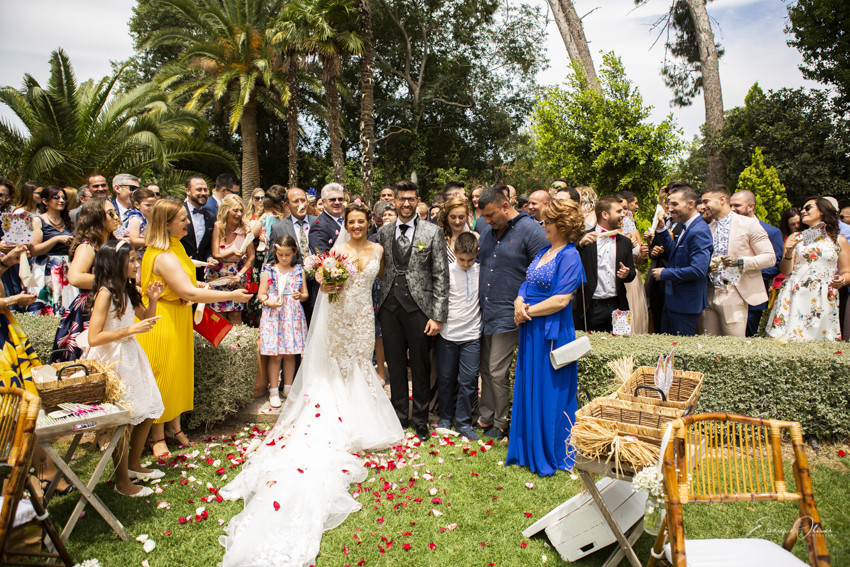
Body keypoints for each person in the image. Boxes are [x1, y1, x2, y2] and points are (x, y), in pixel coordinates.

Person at [219, 202, 404, 567]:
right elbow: (323, 283)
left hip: (363, 320)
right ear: (344, 225)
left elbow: (376, 281)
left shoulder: (379, 249)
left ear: (368, 223)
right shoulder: (336, 250)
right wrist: (329, 279)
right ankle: (336, 416)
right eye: (350, 221)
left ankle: (360, 414)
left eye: (360, 221)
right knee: (337, 369)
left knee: (360, 366)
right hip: (337, 318)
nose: (355, 226)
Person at [137, 199, 252, 459]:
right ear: (166, 225)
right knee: (162, 376)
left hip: (177, 315)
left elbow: (186, 283)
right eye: (182, 220)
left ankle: (175, 428)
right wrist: (230, 294)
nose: (188, 222)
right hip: (162, 320)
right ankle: (156, 436)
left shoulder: (175, 246)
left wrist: (200, 286)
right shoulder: (162, 254)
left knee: (178, 374)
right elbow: (185, 290)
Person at [79, 240, 165, 497]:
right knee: (122, 421)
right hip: (113, 359)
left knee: (149, 408)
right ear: (116, 263)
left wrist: (154, 300)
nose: (137, 265)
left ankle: (134, 464)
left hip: (131, 354)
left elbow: (143, 318)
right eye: (132, 260)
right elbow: (94, 337)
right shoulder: (105, 292)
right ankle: (122, 481)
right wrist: (129, 331)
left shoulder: (127, 289)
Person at [507, 197, 586, 476]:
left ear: (562, 225)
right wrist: (518, 301)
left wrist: (526, 312)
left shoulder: (570, 256)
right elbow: (527, 282)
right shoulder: (544, 251)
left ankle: (551, 452)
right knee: (530, 386)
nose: (543, 225)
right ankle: (527, 449)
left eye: (548, 221)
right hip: (531, 328)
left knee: (551, 391)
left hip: (552, 331)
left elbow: (561, 300)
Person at [377, 180, 449, 441]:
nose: (406, 203)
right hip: (389, 306)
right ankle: (399, 417)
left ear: (418, 201)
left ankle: (420, 418)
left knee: (419, 366)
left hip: (420, 308)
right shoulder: (384, 232)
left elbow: (441, 275)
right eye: (401, 199)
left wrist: (438, 315)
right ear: (394, 201)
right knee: (395, 365)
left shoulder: (432, 232)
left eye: (411, 199)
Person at [477, 185, 548, 439]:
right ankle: (485, 416)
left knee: (497, 369)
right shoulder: (487, 231)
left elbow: (542, 273)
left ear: (505, 206)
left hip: (510, 313)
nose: (486, 221)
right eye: (484, 216)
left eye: (490, 215)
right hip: (485, 311)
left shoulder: (531, 231)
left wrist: (524, 303)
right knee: (484, 369)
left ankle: (501, 422)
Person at [766, 197, 850, 342]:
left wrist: (842, 280)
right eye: (802, 209)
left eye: (808, 208)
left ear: (823, 211)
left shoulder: (838, 240)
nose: (803, 212)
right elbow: (785, 271)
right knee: (787, 339)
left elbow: (847, 272)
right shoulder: (796, 237)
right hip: (795, 292)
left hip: (823, 295)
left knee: (821, 341)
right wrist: (789, 252)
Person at [699, 187, 776, 337]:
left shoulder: (749, 224)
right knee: (708, 345)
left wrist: (739, 262)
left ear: (722, 200)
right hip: (709, 291)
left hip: (734, 292)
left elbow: (770, 257)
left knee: (734, 345)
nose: (703, 206)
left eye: (706, 201)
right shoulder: (707, 228)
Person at [51, 198, 121, 362]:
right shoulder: (87, 246)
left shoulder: (112, 244)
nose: (116, 217)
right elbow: (75, 277)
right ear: (96, 216)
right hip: (90, 309)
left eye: (116, 212)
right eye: (111, 213)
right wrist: (113, 283)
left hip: (113, 307)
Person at [435, 232, 482, 441]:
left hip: (472, 334)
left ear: (477, 253)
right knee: (445, 378)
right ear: (454, 253)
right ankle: (445, 417)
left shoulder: (481, 271)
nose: (466, 263)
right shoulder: (447, 271)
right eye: (462, 259)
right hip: (448, 334)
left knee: (469, 380)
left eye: (470, 259)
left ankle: (463, 421)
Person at [650, 183, 714, 336]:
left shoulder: (699, 231)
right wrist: (662, 230)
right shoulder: (687, 227)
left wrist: (665, 274)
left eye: (674, 204)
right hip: (674, 301)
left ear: (691, 204)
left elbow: (698, 270)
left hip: (685, 304)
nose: (670, 209)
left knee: (680, 351)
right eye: (668, 204)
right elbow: (676, 255)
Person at [257, 235, 307, 408]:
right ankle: (273, 390)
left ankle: (288, 387)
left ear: (294, 253)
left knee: (290, 353)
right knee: (276, 354)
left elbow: (305, 294)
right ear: (275, 253)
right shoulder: (269, 270)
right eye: (281, 255)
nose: (284, 258)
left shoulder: (299, 270)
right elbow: (261, 294)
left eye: (287, 254)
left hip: (292, 315)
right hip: (275, 315)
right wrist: (269, 301)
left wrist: (301, 296)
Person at [574, 196, 636, 332]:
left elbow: (632, 273)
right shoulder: (584, 238)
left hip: (617, 305)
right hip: (591, 306)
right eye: (619, 211)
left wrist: (626, 273)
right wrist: (579, 245)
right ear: (605, 215)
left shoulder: (625, 242)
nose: (623, 214)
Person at [729, 190, 784, 337]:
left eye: (737, 205)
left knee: (748, 337)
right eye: (730, 205)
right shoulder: (725, 229)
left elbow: (776, 264)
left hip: (753, 294)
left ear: (751, 206)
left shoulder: (771, 231)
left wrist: (747, 270)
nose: (732, 209)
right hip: (727, 295)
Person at [29, 185, 76, 315]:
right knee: (47, 309)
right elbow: (34, 250)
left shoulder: (68, 221)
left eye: (63, 198)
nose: (61, 200)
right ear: (45, 201)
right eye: (56, 197)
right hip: (46, 268)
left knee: (67, 306)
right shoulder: (38, 220)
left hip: (67, 268)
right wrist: (56, 239)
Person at [617, 191, 650, 333]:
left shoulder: (633, 230)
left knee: (636, 321)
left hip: (634, 282)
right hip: (618, 280)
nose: (624, 212)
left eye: (625, 208)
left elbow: (641, 261)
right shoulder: (609, 232)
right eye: (620, 209)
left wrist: (643, 255)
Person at [181, 176, 218, 281]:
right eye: (199, 189)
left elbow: (207, 245)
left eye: (205, 190)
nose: (203, 193)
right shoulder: (178, 212)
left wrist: (210, 257)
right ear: (187, 191)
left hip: (201, 274)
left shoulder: (210, 217)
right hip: (180, 270)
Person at [308, 182, 346, 253]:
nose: (337, 202)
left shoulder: (347, 221)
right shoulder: (318, 227)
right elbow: (322, 259)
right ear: (323, 202)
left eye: (340, 199)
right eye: (333, 199)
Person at [439, 196, 474, 262]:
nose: (457, 221)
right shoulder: (440, 240)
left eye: (461, 217)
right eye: (453, 217)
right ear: (447, 217)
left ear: (467, 217)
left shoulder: (475, 237)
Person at [125, 187, 157, 252]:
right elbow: (134, 240)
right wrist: (154, 242)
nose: (151, 208)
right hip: (138, 254)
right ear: (137, 205)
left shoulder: (152, 218)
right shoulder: (136, 219)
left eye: (154, 205)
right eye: (148, 205)